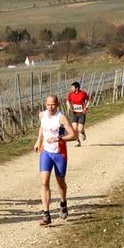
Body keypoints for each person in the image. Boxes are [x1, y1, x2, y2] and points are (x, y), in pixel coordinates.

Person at [33, 95, 77, 226]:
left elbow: (73, 135)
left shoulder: (61, 118)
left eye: (53, 105)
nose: (50, 107)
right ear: (45, 105)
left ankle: (63, 202)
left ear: (57, 105)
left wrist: (58, 139)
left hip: (59, 153)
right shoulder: (42, 115)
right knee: (44, 182)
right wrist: (38, 141)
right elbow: (42, 128)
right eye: (48, 105)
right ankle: (46, 214)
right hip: (46, 152)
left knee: (60, 182)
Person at [66, 81, 90, 147]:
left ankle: (82, 132)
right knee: (74, 129)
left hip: (82, 113)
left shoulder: (83, 93)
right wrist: (69, 106)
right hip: (74, 113)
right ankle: (78, 142)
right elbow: (67, 101)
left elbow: (88, 100)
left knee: (79, 129)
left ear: (77, 88)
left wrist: (86, 107)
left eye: (72, 87)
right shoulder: (70, 94)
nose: (71, 88)